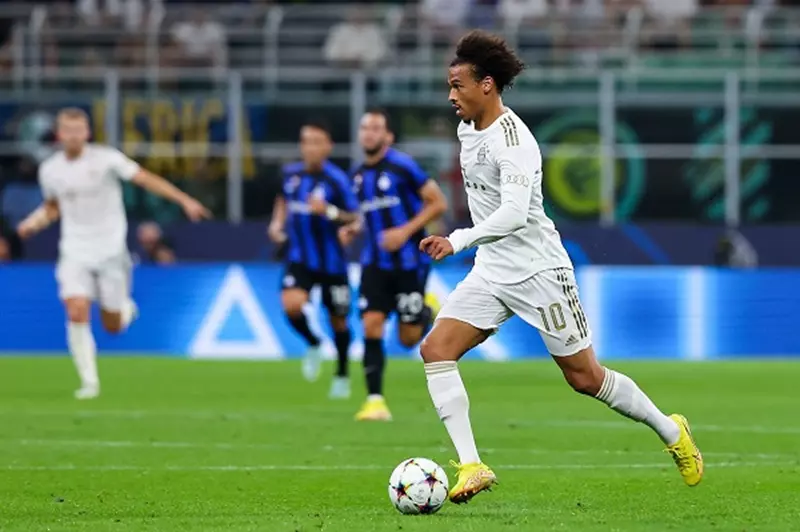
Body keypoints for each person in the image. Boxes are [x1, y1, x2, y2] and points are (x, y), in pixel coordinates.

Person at [418, 30, 704, 504]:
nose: (451, 95)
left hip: (539, 272)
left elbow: (514, 214)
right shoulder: (467, 129)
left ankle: (671, 430)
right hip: (492, 271)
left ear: (486, 85)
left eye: (457, 85)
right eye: (449, 86)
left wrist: (458, 239)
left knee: (585, 378)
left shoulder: (514, 142)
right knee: (436, 350)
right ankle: (472, 466)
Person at [16, 107, 210, 400]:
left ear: (87, 133)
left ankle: (125, 309)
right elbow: (54, 207)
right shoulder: (50, 170)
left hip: (110, 251)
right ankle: (89, 382)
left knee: (113, 326)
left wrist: (184, 200)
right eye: (67, 131)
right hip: (74, 249)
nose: (73, 136)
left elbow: (145, 178)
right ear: (59, 134)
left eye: (78, 130)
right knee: (76, 308)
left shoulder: (107, 159)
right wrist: (33, 223)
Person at [339, 108, 448, 421]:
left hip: (409, 263)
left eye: (375, 128)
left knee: (408, 338)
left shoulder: (403, 167)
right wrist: (353, 228)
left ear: (387, 136)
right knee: (371, 324)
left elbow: (437, 202)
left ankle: (426, 310)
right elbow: (368, 215)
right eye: (365, 128)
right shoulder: (357, 176)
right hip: (374, 263)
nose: (368, 133)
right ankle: (375, 401)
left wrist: (405, 231)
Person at [268, 121, 360, 398]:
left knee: (339, 322)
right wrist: (277, 223)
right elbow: (282, 200)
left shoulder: (337, 180)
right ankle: (313, 342)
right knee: (291, 305)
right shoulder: (290, 174)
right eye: (306, 141)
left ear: (328, 147)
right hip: (299, 257)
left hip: (333, 262)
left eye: (317, 142)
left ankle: (342, 373)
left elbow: (355, 216)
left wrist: (329, 212)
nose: (310, 148)